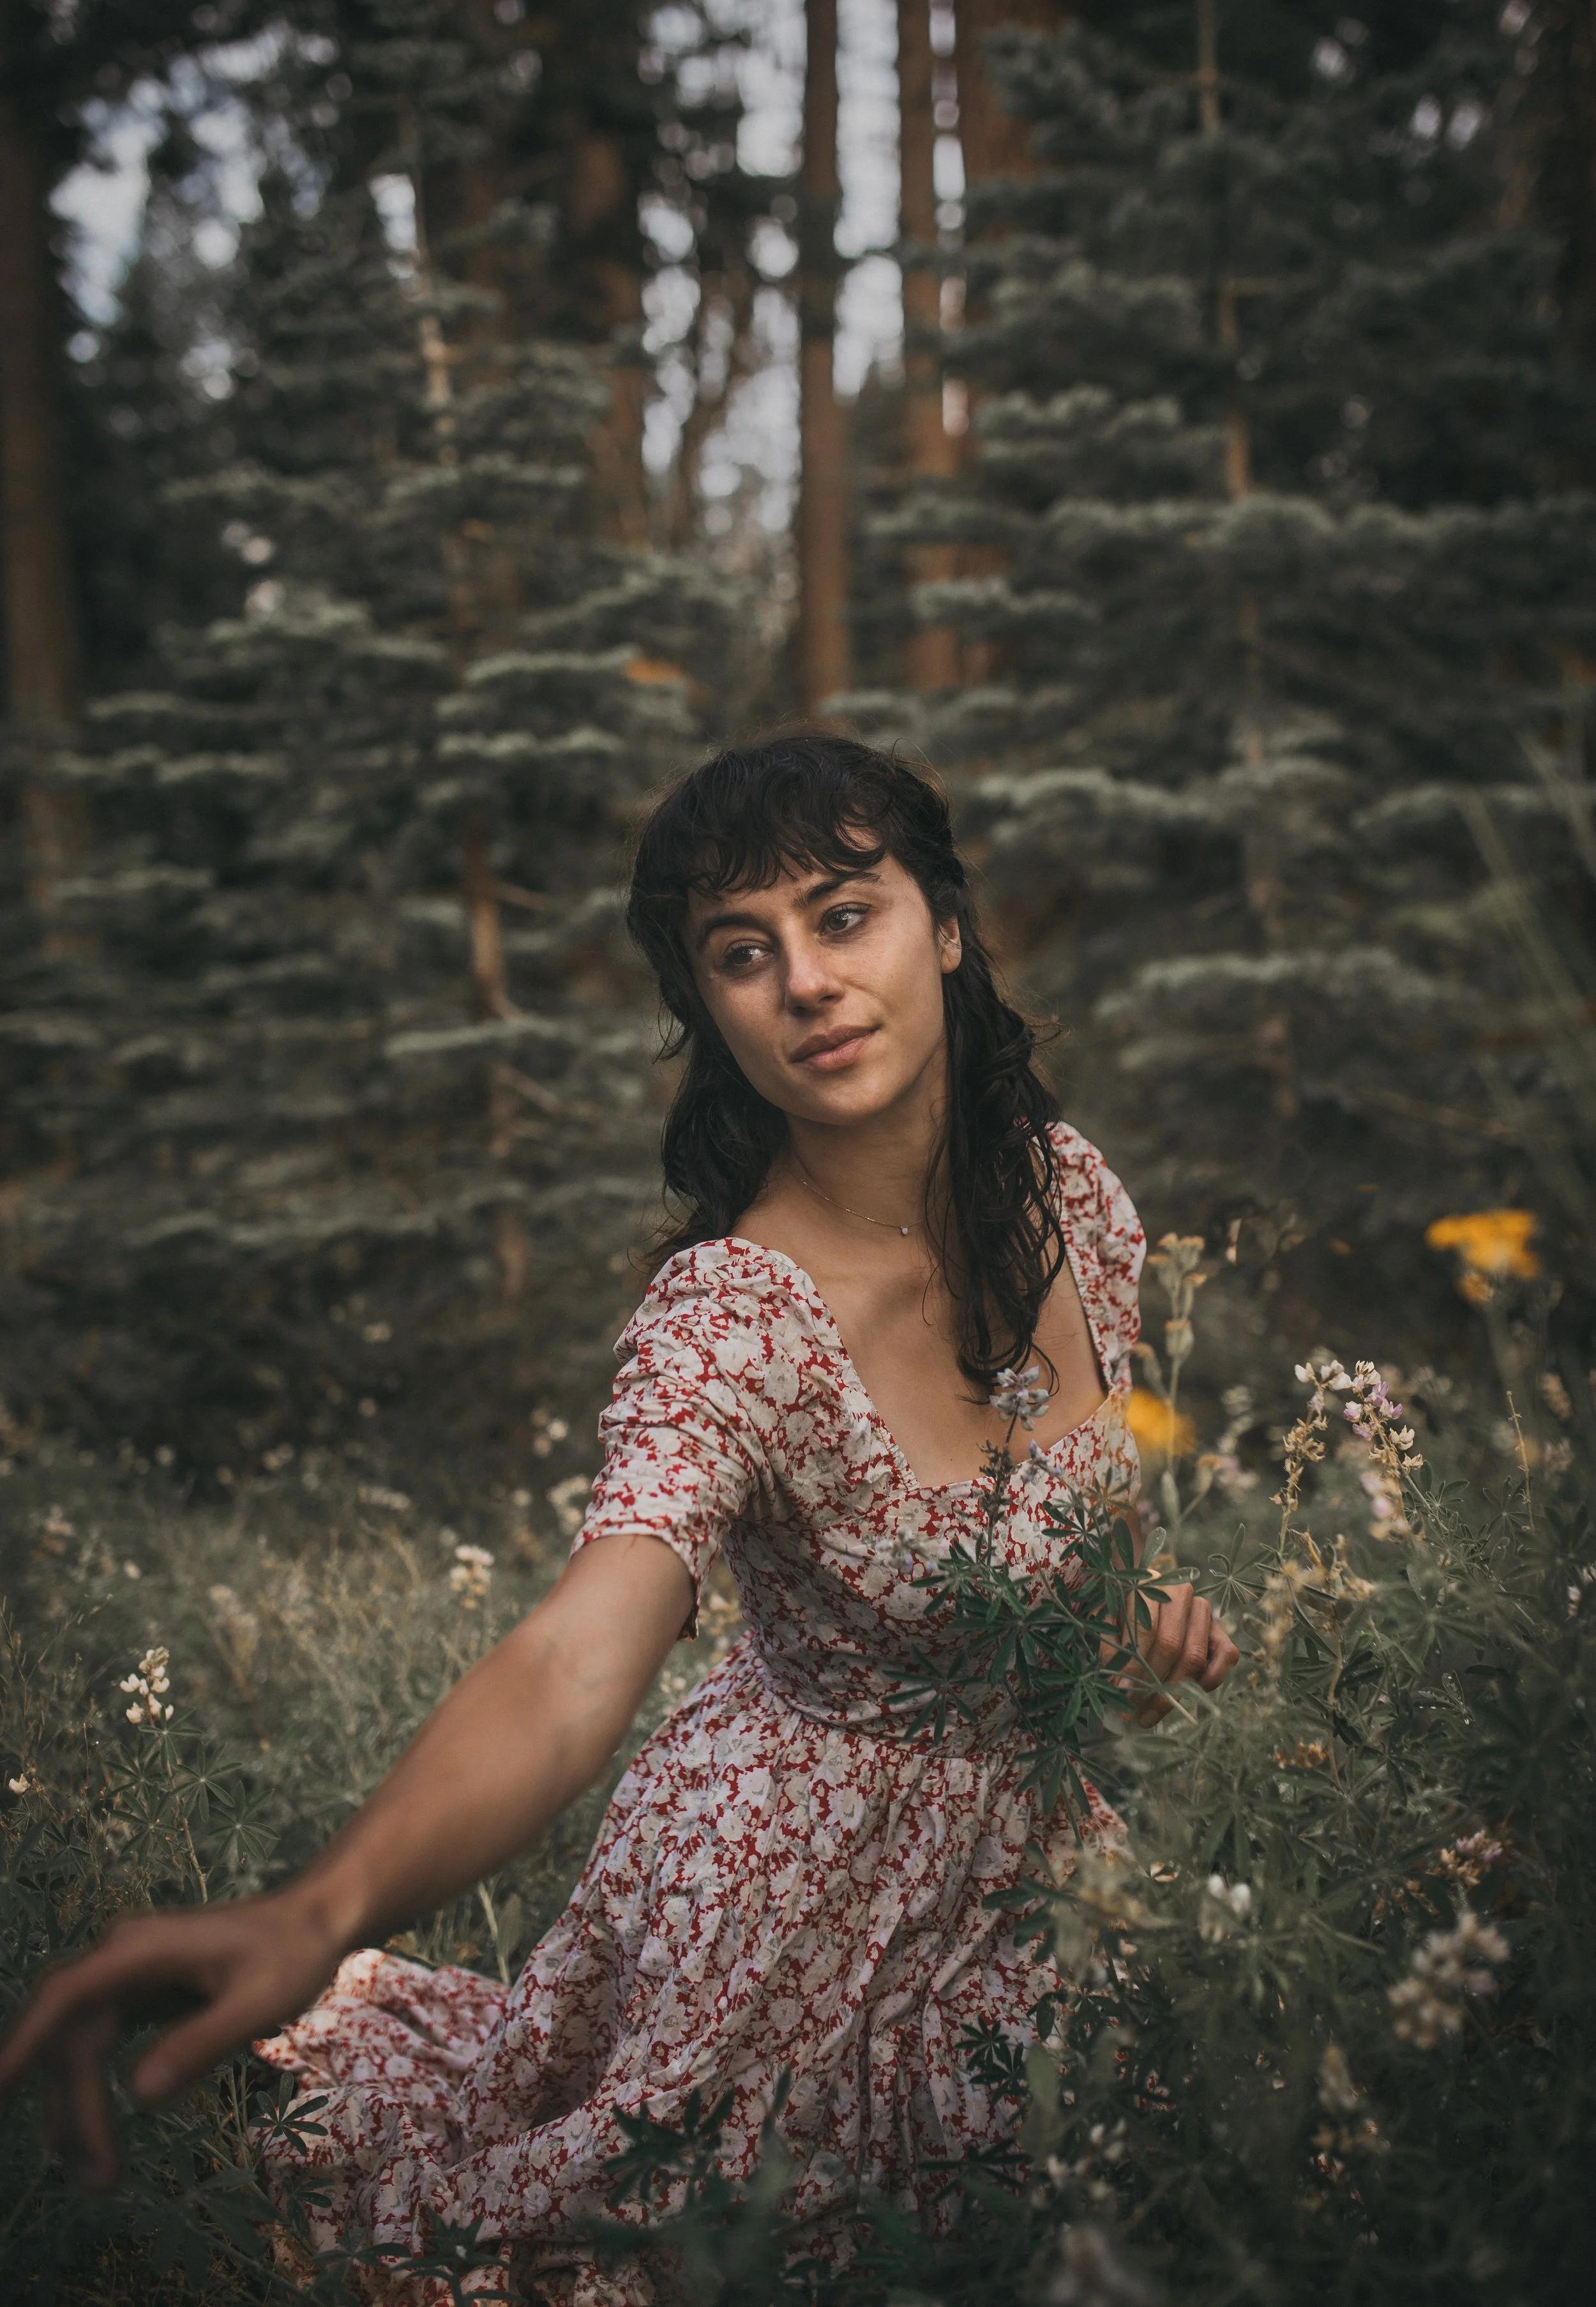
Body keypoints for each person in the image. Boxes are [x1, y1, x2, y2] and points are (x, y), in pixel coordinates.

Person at [0, 737, 1237, 2302]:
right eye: (742, 953)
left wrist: (1125, 1631)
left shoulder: (1072, 1197)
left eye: (842, 915)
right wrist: (322, 1905)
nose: (802, 980)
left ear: (944, 925)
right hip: (789, 1896)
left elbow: (1069, 1526)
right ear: (708, 1010)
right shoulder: (733, 1315)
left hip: (1032, 1867)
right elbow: (585, 1647)